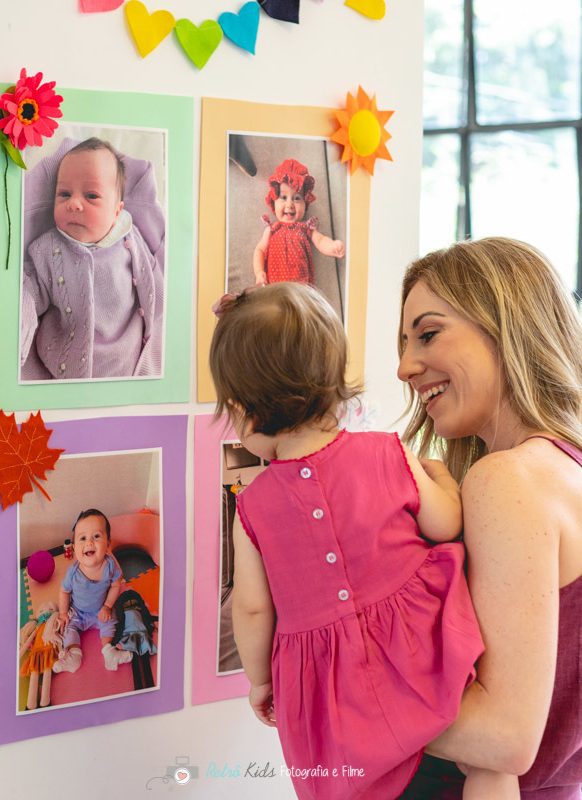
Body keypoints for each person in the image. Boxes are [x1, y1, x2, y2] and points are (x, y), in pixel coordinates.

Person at [209, 282, 514, 800]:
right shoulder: (387, 453)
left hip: (333, 683)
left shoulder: (253, 507)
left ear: (246, 411)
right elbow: (446, 523)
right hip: (420, 647)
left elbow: (253, 611)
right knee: (488, 766)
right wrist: (437, 476)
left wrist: (261, 681)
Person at [394, 237, 582, 799]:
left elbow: (505, 739)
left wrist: (337, 689)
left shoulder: (508, 478)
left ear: (504, 327)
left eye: (428, 333)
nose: (404, 366)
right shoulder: (579, 465)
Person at [21, 137, 165, 380]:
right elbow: (29, 292)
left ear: (117, 211)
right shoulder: (48, 249)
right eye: (64, 194)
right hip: (63, 369)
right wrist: (20, 325)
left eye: (91, 196)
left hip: (128, 362)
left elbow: (153, 279)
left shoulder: (129, 239)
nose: (74, 203)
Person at [50, 509, 134, 674]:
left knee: (111, 621)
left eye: (96, 536)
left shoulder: (110, 566)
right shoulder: (73, 573)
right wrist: (63, 614)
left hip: (99, 610)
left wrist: (108, 606)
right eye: (82, 538)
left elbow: (116, 585)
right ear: (74, 548)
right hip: (78, 612)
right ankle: (73, 655)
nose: (89, 542)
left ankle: (109, 653)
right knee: (68, 628)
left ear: (108, 543)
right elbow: (64, 592)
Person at [252, 158, 345, 287]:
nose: (289, 204)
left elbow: (320, 241)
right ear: (273, 201)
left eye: (296, 198)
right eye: (283, 197)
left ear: (305, 203)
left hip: (301, 289)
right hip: (274, 287)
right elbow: (259, 251)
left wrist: (333, 247)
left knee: (299, 306)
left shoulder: (306, 228)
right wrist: (259, 272)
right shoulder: (271, 229)